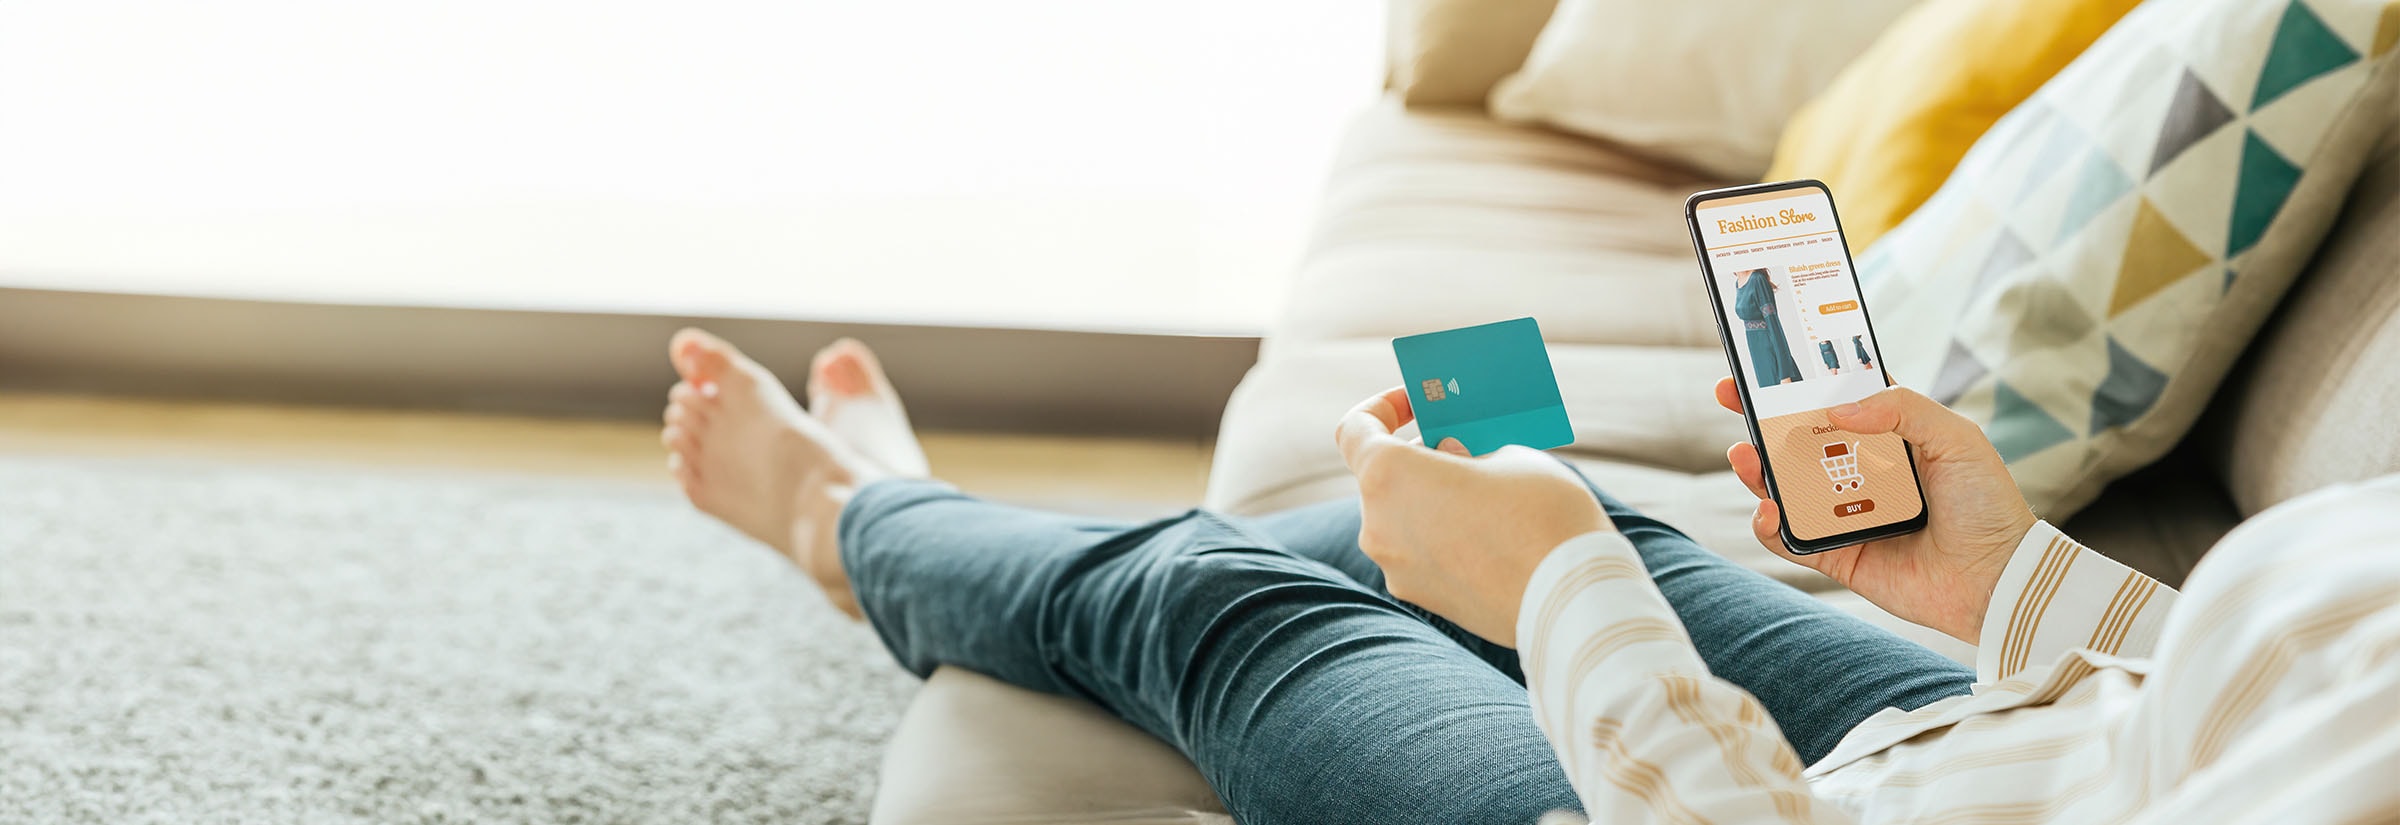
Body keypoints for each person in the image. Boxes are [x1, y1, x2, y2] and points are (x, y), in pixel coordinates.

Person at [658, 328, 2400, 825]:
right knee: (1377, 533)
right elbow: (2298, 706)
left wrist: (1565, 595)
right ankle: (943, 555)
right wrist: (2003, 586)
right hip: (2034, 751)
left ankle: (858, 524)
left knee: (1215, 599)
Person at [1733, 269, 1803, 386]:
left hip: (1770, 346)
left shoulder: (1757, 279)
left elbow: (1773, 324)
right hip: (1756, 349)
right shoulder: (1738, 281)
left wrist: (1785, 374)